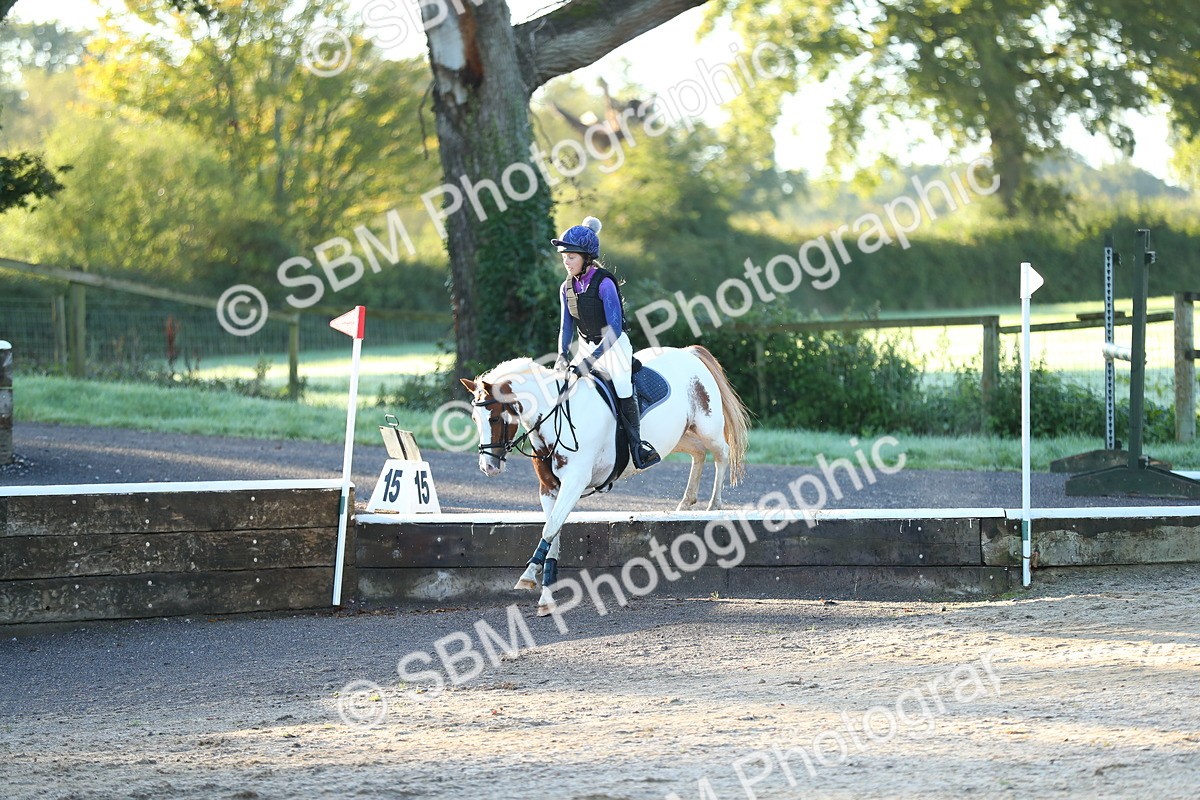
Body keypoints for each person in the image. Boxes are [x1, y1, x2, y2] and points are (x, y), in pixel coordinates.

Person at [551, 216, 661, 469]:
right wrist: (562, 355)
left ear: (586, 257)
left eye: (571, 257)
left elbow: (614, 330)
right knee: (564, 384)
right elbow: (566, 326)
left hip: (614, 346)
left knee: (621, 385)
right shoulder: (566, 287)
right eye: (564, 257)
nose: (566, 261)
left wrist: (589, 362)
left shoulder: (604, 283)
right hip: (586, 345)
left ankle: (638, 447)